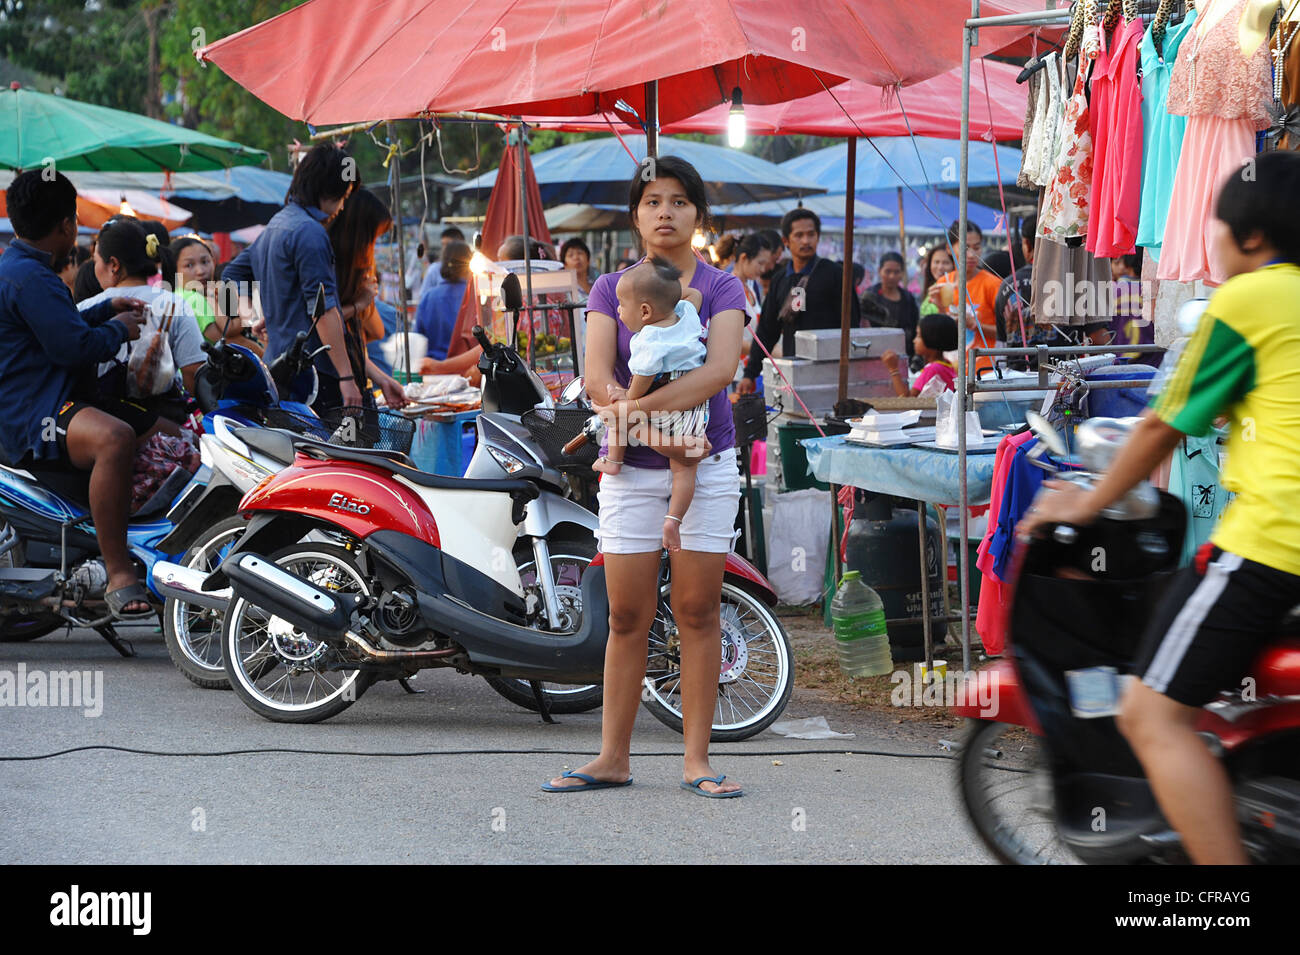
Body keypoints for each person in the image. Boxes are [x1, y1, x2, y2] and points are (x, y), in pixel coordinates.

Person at [1020, 151, 1300, 865]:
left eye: (1213, 225)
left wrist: (1086, 503)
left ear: (1251, 238)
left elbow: (1160, 427)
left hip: (1274, 545)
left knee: (1152, 714)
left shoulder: (1246, 301)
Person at [543, 155, 746, 798]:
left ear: (698, 215)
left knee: (696, 609)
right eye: (654, 200)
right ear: (635, 213)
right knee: (627, 614)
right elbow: (596, 372)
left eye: (680, 201)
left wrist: (631, 413)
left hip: (704, 466)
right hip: (630, 473)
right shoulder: (610, 289)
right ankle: (612, 757)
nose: (666, 212)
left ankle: (696, 762)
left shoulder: (721, 288)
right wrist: (633, 418)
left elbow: (719, 374)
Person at [0, 170, 152, 618]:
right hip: (34, 413)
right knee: (116, 437)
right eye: (75, 222)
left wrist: (107, 306)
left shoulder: (23, 270)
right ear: (67, 225)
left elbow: (57, 329)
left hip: (39, 399)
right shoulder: (31, 279)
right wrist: (118, 328)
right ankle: (119, 571)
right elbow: (70, 348)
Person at [220, 143, 364, 415]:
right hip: (314, 375)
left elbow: (230, 274)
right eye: (343, 196)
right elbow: (322, 311)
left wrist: (251, 317)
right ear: (327, 190)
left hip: (279, 368)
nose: (342, 207)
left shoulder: (277, 224)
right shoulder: (310, 233)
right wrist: (346, 377)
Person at [594, 258, 709, 553]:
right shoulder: (686, 314)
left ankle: (613, 461)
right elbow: (694, 295)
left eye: (621, 305)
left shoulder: (648, 340)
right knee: (685, 469)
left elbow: (642, 378)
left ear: (645, 311)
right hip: (693, 402)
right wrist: (673, 298)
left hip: (663, 400)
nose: (618, 310)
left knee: (618, 413)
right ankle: (674, 518)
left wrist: (629, 400)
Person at [78, 218, 207, 401]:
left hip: (97, 419)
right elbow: (194, 371)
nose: (94, 268)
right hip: (163, 420)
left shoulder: (84, 309)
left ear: (114, 265)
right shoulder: (175, 304)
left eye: (96, 260)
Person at [737, 208, 861, 394]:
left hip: (831, 373)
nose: (806, 241)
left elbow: (852, 324)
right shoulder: (780, 280)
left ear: (818, 237)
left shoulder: (835, 274)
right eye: (799, 235)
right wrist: (750, 374)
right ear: (786, 241)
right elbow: (767, 331)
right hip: (793, 373)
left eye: (811, 234)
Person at [325, 188, 407, 408]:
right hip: (330, 394)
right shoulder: (324, 265)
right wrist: (359, 304)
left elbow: (369, 335)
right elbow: (318, 322)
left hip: (356, 386)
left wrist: (383, 379)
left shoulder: (353, 277)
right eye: (373, 238)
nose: (372, 248)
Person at [927, 220, 1001, 376]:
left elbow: (1007, 333)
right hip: (951, 371)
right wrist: (940, 308)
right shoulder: (943, 283)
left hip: (986, 372)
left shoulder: (993, 284)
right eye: (965, 248)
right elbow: (942, 336)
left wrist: (974, 324)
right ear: (949, 248)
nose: (972, 255)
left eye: (977, 247)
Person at [415, 239, 472, 361]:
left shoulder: (428, 297)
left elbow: (418, 339)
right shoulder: (475, 297)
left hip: (434, 370)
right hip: (467, 369)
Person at [881, 313, 959, 397]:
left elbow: (907, 399)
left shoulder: (933, 369)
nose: (914, 341)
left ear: (932, 339)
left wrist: (893, 369)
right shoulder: (946, 364)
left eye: (918, 336)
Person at [862, 252, 921, 358]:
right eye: (888, 271)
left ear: (902, 273)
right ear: (880, 271)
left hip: (905, 355)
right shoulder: (869, 297)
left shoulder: (908, 298)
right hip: (876, 355)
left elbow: (914, 327)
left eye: (896, 272)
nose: (892, 276)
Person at [418, 226, 466, 299]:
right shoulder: (434, 270)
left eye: (448, 245)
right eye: (443, 244)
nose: (444, 249)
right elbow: (423, 298)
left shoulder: (472, 270)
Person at [918, 243, 956, 317]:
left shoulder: (956, 290)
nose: (940, 267)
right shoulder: (932, 287)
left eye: (946, 263)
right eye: (936, 262)